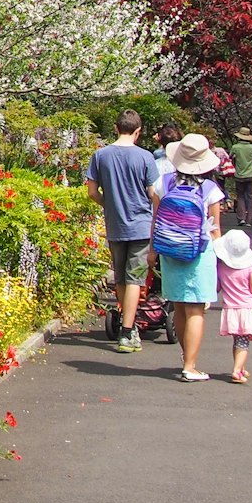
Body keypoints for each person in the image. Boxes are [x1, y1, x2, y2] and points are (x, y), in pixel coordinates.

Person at [152, 133, 227, 382]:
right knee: (196, 309)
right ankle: (190, 365)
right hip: (199, 253)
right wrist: (222, 260)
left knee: (180, 306)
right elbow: (215, 230)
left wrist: (153, 251)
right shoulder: (210, 190)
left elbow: (156, 221)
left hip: (170, 250)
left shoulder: (163, 184)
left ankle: (187, 358)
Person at [85, 110, 160, 353]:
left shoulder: (100, 155)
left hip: (115, 225)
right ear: (138, 131)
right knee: (135, 278)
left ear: (116, 128)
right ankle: (128, 331)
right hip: (140, 226)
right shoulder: (146, 157)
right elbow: (153, 193)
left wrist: (111, 205)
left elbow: (92, 192)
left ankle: (124, 323)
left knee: (119, 277)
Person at [214, 228, 252, 383]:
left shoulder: (221, 268)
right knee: (243, 342)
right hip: (247, 309)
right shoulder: (249, 268)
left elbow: (217, 288)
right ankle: (237, 370)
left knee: (238, 340)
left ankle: (240, 366)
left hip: (230, 309)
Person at [228, 127, 252, 226]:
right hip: (251, 174)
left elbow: (230, 157)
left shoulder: (235, 147)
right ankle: (249, 220)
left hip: (239, 175)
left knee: (240, 196)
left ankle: (241, 218)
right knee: (250, 197)